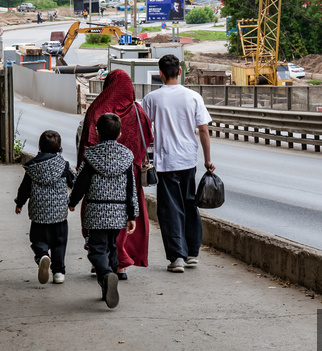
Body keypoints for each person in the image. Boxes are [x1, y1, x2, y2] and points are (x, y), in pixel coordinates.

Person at [141, 54, 215, 273]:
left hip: (165, 162)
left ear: (160, 74)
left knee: (170, 209)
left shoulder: (152, 98)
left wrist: (144, 156)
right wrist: (208, 160)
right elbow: (203, 130)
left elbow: (145, 131)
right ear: (180, 72)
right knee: (190, 204)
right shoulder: (194, 97)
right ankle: (192, 253)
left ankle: (177, 257)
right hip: (188, 160)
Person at [77, 69, 152, 280]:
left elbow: (86, 145)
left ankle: (101, 262)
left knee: (99, 223)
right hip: (130, 175)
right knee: (127, 219)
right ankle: (121, 266)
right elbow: (147, 138)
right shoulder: (138, 111)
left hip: (97, 178)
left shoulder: (97, 110)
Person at [69, 113, 137, 309]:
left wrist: (73, 201)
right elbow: (130, 189)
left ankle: (107, 275)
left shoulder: (90, 156)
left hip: (96, 210)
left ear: (97, 133)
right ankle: (109, 278)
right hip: (118, 212)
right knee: (111, 247)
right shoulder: (127, 157)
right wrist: (131, 215)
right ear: (120, 133)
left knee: (96, 249)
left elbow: (81, 182)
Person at [14, 131, 74, 285]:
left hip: (39, 213)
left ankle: (42, 256)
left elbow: (24, 188)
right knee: (59, 242)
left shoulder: (33, 167)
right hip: (59, 213)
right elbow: (73, 182)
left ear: (39, 146)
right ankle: (58, 272)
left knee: (38, 239)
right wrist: (73, 200)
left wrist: (19, 203)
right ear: (60, 148)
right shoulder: (64, 165)